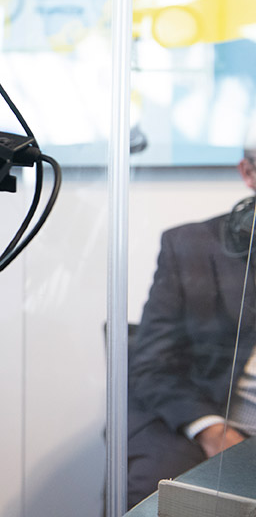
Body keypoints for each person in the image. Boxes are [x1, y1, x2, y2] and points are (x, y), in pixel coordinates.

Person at [128, 135, 256, 508]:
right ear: (248, 173)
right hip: (216, 419)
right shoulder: (191, 246)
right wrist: (212, 430)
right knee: (160, 487)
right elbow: (153, 366)